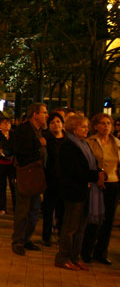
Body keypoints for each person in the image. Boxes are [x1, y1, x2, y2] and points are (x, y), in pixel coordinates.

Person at [55, 115, 104, 271]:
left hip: (85, 191)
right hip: (74, 191)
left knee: (80, 228)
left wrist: (100, 173)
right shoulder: (68, 146)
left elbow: (91, 165)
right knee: (70, 227)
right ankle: (63, 257)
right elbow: (74, 170)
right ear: (74, 128)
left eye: (86, 126)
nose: (86, 129)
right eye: (83, 126)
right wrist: (95, 176)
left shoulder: (84, 144)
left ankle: (76, 257)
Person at [82, 113, 119, 265]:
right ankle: (86, 251)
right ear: (96, 126)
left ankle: (101, 252)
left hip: (113, 182)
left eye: (108, 123)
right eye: (103, 123)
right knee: (94, 218)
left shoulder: (116, 143)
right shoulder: (90, 142)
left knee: (108, 220)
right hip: (96, 184)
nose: (106, 126)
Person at [11, 103, 48, 256]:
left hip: (38, 173)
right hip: (27, 173)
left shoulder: (41, 131)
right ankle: (18, 240)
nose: (46, 115)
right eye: (44, 112)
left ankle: (27, 238)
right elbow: (19, 150)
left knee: (34, 210)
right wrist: (37, 143)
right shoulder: (23, 129)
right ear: (35, 115)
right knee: (23, 210)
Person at [42, 112, 66, 246]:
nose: (56, 124)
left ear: (63, 124)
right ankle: (46, 236)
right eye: (52, 122)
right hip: (50, 179)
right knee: (48, 209)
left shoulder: (68, 140)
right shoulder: (46, 139)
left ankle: (61, 234)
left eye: (58, 121)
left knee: (62, 209)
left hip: (64, 179)